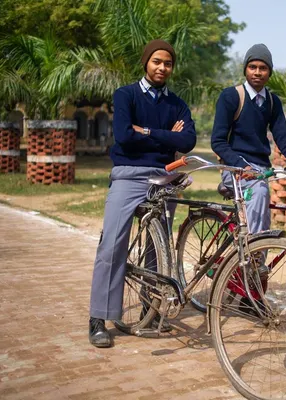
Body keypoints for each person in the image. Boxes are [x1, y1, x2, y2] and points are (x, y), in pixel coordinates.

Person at [88, 39, 197, 348]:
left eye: (168, 63)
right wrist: (167, 138)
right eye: (157, 62)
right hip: (128, 174)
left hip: (164, 177)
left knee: (157, 249)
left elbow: (188, 140)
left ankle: (150, 309)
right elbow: (123, 136)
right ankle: (98, 318)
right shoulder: (126, 95)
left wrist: (147, 132)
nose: (162, 67)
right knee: (111, 244)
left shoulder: (177, 103)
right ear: (146, 63)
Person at [211, 44, 286, 314]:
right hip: (234, 170)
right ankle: (254, 269)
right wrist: (242, 166)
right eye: (252, 67)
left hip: (258, 171)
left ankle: (250, 286)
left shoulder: (271, 101)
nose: (257, 72)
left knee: (260, 208)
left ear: (269, 72)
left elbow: (284, 140)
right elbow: (218, 142)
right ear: (245, 69)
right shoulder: (231, 97)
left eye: (263, 68)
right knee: (260, 194)